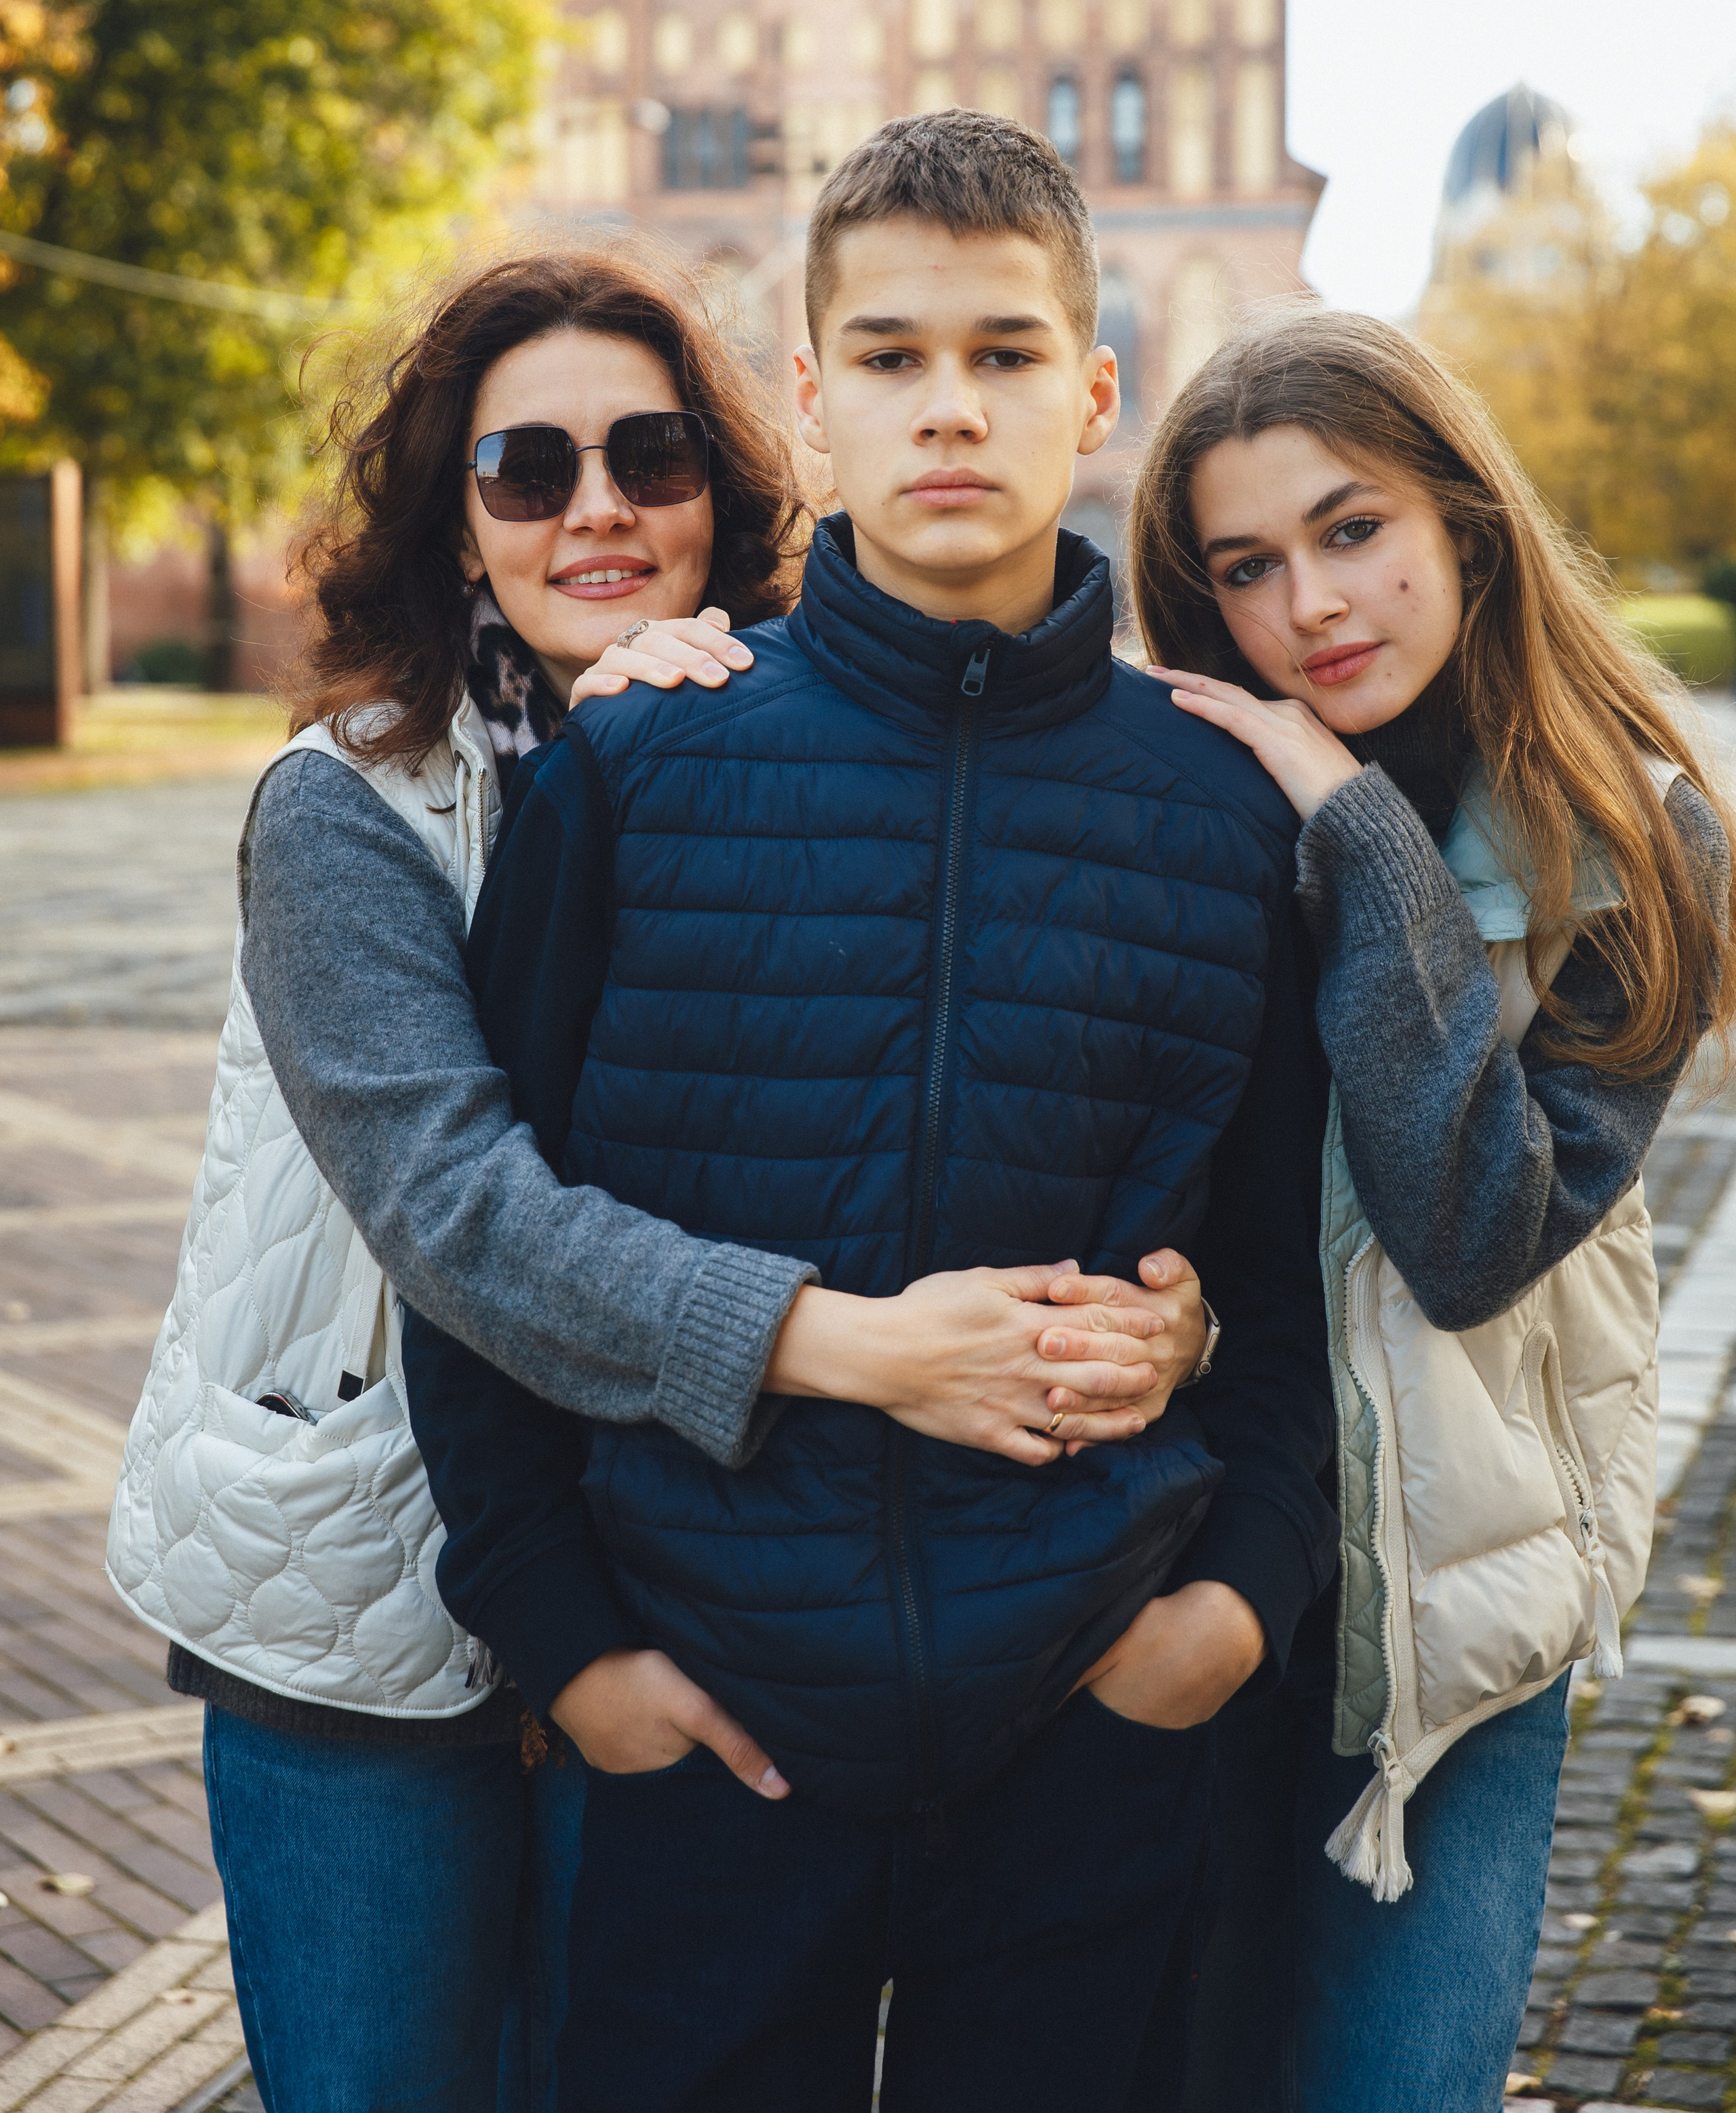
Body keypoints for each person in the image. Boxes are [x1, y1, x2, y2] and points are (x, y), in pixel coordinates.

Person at [106, 242, 1191, 2113]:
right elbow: (463, 1213)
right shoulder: (345, 807)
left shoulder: (754, 740)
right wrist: (862, 1349)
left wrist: (1160, 1317)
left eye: (651, 457)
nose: (595, 508)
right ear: (458, 525)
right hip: (366, 1597)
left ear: (727, 487)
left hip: (668, 1590)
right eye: (527, 471)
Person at [401, 111, 1339, 2113]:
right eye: (894, 361)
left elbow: (1284, 1283)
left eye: (1005, 357)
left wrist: (1233, 1607)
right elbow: (489, 1242)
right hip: (714, 1738)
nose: (951, 411)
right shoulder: (645, 763)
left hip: (1089, 1738)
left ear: (1096, 393)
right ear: (812, 401)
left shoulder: (1220, 807)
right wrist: (573, 1651)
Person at [1130, 308, 1735, 2113]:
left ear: (1462, 526)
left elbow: (1474, 1232)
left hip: (1448, 1638)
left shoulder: (1632, 847)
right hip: (1190, 1581)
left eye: (1354, 529)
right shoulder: (1184, 809)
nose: (1313, 603)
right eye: (1249, 565)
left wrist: (1365, 844)